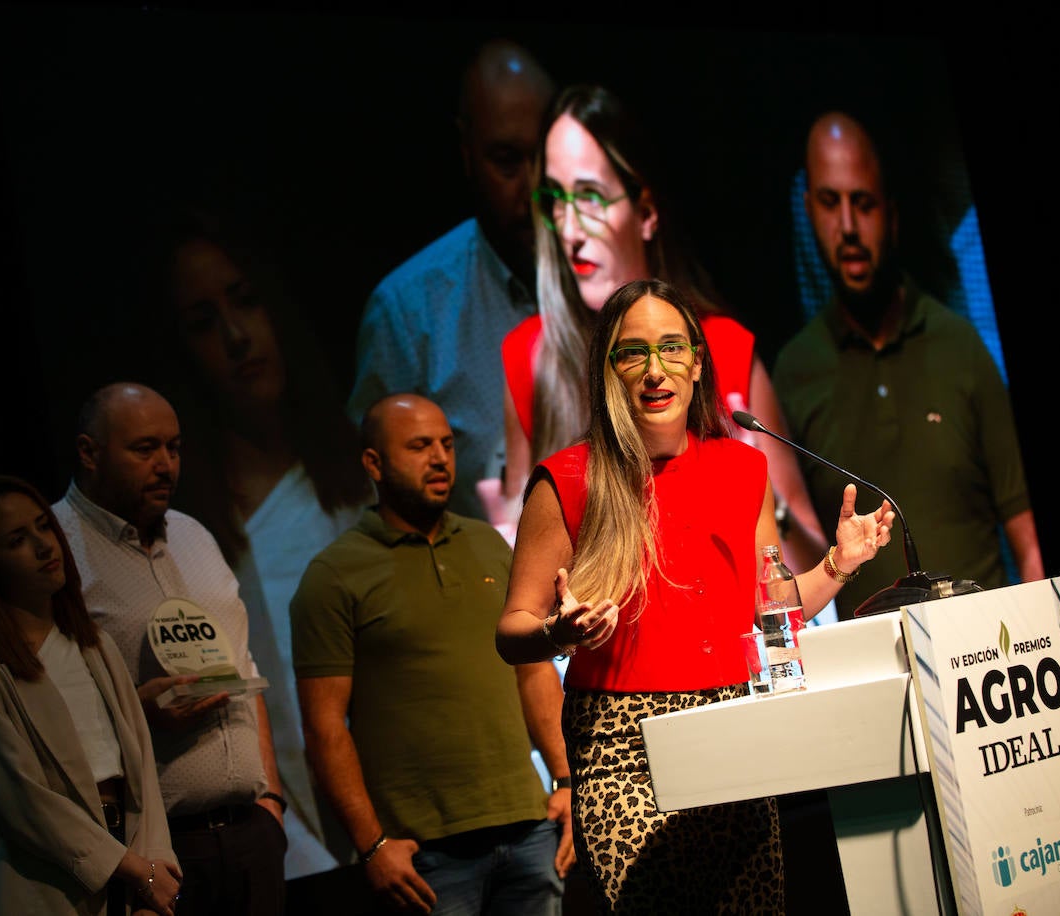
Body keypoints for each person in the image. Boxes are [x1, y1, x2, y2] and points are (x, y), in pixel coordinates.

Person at [494, 279, 895, 914]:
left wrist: (839, 565)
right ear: (607, 369)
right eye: (632, 352)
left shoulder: (743, 467)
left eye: (672, 348)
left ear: (698, 362)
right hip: (626, 742)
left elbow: (772, 608)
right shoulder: (568, 478)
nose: (655, 371)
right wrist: (556, 635)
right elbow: (511, 628)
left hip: (734, 722)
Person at [489, 83, 829, 575]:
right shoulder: (530, 357)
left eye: (590, 198)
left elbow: (808, 575)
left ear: (645, 213)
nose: (568, 230)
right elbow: (519, 575)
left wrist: (765, 498)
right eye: (557, 201)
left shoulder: (724, 348)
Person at [138, 207, 367, 879]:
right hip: (287, 843)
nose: (237, 338)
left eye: (245, 302)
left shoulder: (359, 475)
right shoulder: (188, 533)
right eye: (204, 323)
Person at [291, 393, 575, 915]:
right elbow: (325, 728)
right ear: (374, 463)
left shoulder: (488, 544)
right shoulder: (334, 575)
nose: (440, 458)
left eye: (445, 444)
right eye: (420, 446)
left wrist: (564, 781)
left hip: (528, 825)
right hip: (424, 853)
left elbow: (534, 673)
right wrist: (371, 844)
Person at [773, 110, 1043, 619]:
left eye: (864, 203)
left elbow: (1027, 536)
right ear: (808, 210)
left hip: (987, 662)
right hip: (873, 678)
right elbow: (805, 569)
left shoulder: (959, 345)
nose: (848, 226)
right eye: (831, 203)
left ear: (892, 214)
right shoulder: (794, 372)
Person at [52, 381, 287, 916]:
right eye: (145, 449)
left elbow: (245, 671)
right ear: (89, 452)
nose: (166, 464)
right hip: (157, 851)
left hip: (251, 835)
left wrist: (271, 802)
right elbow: (43, 718)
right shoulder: (55, 551)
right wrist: (136, 711)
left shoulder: (194, 535)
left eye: (174, 448)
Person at [0, 474, 183, 915]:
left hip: (132, 868)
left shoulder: (93, 644)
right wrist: (135, 870)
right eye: (17, 540)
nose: (44, 546)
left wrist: (154, 874)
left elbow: (142, 764)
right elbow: (20, 798)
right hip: (47, 886)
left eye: (44, 526)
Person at [348, 38, 556, 524]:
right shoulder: (409, 312)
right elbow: (373, 506)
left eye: (545, 156)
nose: (532, 188)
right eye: (506, 160)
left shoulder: (612, 275)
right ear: (466, 154)